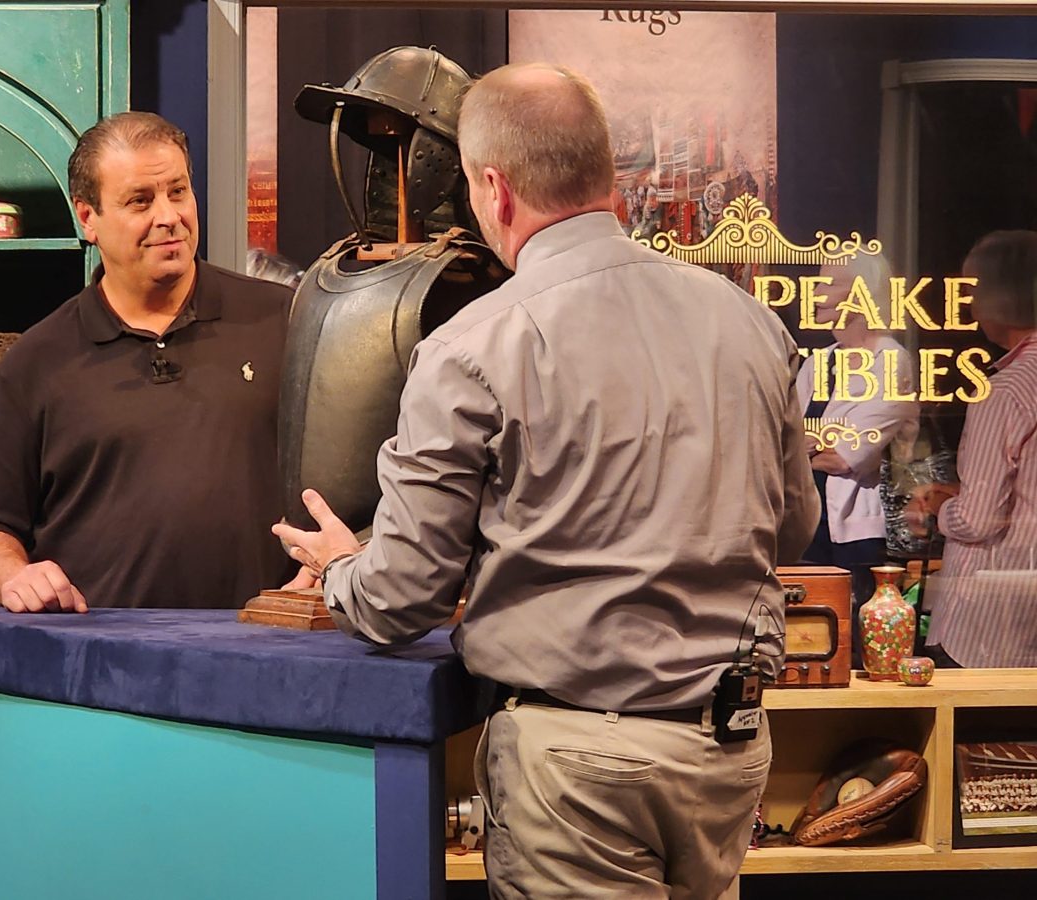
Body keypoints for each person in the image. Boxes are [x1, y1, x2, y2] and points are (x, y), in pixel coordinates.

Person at [273, 63, 819, 899]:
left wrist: (346, 567)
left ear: (493, 189)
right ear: (605, 173)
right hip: (727, 754)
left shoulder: (474, 345)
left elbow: (400, 599)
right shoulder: (745, 320)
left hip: (578, 771)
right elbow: (788, 532)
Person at [0, 111, 293, 613]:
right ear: (87, 218)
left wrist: (330, 567)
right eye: (140, 200)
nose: (168, 216)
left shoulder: (284, 321)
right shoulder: (37, 361)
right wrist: (15, 576)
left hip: (266, 653)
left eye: (177, 192)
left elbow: (358, 489)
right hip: (100, 665)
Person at [910, 230, 1037, 667]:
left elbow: (979, 520)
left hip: (987, 628)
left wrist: (938, 511)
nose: (968, 304)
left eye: (973, 290)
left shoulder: (1003, 392)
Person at [794, 252, 918, 649]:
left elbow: (847, 457)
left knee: (855, 647)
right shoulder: (819, 362)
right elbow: (784, 440)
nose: (816, 293)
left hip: (857, 537)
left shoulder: (890, 361)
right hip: (805, 527)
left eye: (828, 284)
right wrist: (811, 443)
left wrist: (806, 444)